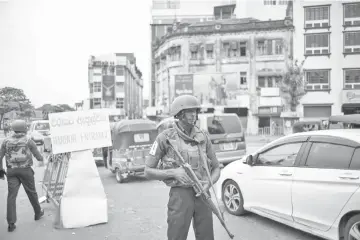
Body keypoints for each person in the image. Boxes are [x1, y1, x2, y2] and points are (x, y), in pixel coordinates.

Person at [144, 95, 221, 240]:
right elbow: (147, 171)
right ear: (179, 114)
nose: (194, 115)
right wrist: (173, 172)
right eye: (189, 111)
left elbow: (216, 168)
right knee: (176, 236)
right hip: (180, 196)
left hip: (203, 194)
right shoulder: (165, 138)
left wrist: (208, 183)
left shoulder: (203, 137)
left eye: (195, 111)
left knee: (206, 236)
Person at [0, 119, 45, 232]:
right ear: (24, 128)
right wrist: (41, 160)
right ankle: (38, 213)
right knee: (32, 193)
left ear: (13, 128)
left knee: (11, 196)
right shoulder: (28, 140)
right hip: (26, 171)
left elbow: (0, 156)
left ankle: (11, 223)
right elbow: (37, 155)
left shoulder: (5, 141)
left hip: (11, 171)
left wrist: (1, 169)